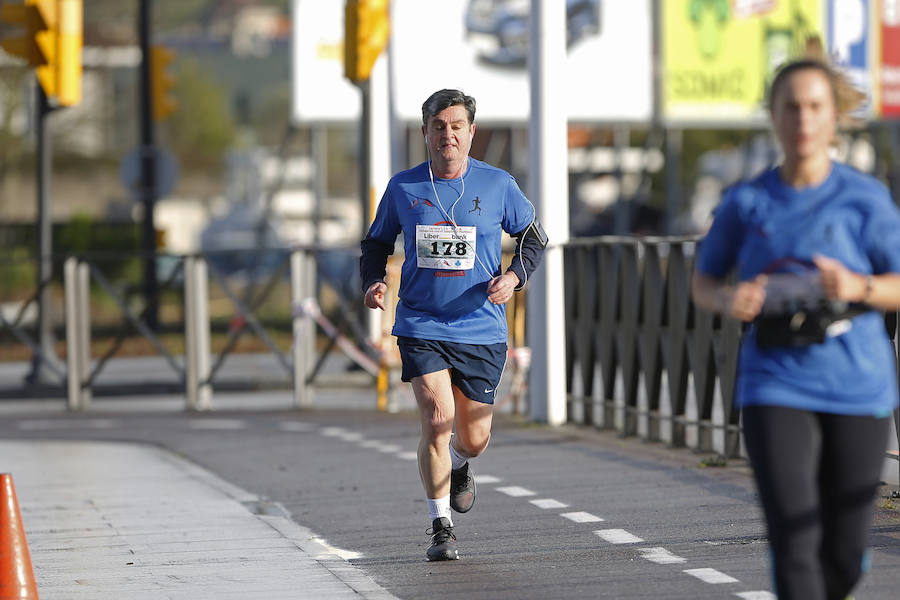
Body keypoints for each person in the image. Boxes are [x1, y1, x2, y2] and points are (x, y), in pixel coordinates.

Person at [691, 56, 900, 599]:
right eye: (792, 108)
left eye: (815, 108)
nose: (803, 121)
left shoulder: (864, 198)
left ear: (834, 118)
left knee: (843, 555)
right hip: (775, 381)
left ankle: (850, 561)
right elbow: (704, 282)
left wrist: (858, 287)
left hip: (857, 384)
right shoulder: (748, 199)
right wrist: (732, 297)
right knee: (794, 540)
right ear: (774, 117)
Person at [360, 89, 547, 561]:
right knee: (436, 418)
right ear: (425, 133)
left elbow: (533, 236)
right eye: (438, 126)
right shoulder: (404, 187)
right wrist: (374, 282)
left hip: (481, 328)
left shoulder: (498, 184)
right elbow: (375, 242)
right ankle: (440, 526)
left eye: (456, 125)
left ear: (471, 132)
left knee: (475, 439)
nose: (448, 134)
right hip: (422, 323)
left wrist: (514, 277)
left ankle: (462, 464)